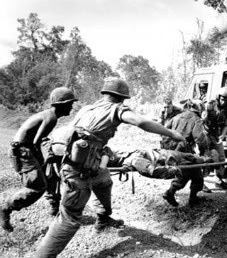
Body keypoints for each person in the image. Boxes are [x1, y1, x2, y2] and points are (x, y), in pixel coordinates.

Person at [34, 77, 185, 258]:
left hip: (89, 163)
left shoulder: (87, 108)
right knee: (69, 219)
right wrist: (171, 133)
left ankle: (103, 218)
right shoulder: (116, 109)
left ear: (105, 93)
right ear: (122, 98)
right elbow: (141, 122)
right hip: (77, 171)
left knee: (104, 182)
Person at [0, 87, 77, 232]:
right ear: (62, 104)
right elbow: (36, 142)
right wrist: (45, 159)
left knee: (50, 175)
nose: (71, 107)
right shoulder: (51, 118)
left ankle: (55, 209)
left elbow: (38, 141)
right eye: (70, 103)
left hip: (26, 150)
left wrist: (46, 160)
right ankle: (5, 208)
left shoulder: (48, 114)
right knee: (37, 186)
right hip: (23, 152)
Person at [111, 148, 213, 207]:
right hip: (170, 159)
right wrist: (173, 170)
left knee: (193, 166)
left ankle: (173, 194)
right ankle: (191, 198)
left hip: (169, 155)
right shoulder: (133, 159)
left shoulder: (128, 155)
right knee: (194, 165)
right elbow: (153, 170)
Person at [162, 99, 210, 206]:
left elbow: (163, 130)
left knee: (192, 172)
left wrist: (167, 148)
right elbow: (200, 139)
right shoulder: (197, 120)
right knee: (191, 175)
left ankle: (190, 197)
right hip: (184, 152)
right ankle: (173, 193)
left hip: (173, 151)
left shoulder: (177, 116)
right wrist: (204, 154)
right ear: (200, 109)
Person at [202, 87, 227, 187]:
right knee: (204, 157)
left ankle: (218, 179)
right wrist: (206, 110)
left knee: (221, 157)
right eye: (222, 99)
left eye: (226, 100)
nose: (224, 102)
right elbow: (202, 120)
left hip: (216, 135)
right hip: (206, 133)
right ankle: (200, 182)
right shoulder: (211, 104)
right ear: (218, 97)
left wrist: (223, 135)